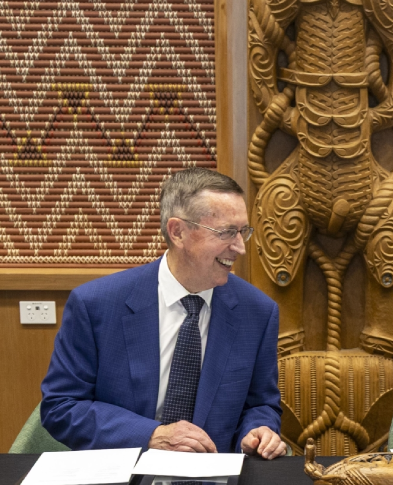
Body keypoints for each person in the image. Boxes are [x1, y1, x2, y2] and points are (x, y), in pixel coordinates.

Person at [40, 167, 284, 458]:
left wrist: (257, 431)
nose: (240, 247)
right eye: (226, 233)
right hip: (122, 473)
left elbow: (260, 404)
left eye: (243, 231)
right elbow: (61, 406)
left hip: (214, 478)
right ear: (178, 232)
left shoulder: (257, 312)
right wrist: (150, 435)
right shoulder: (96, 304)